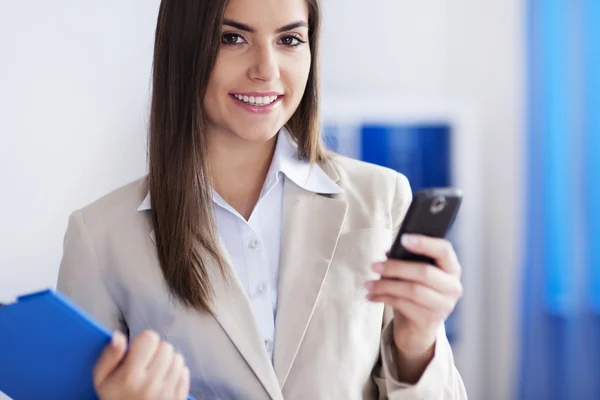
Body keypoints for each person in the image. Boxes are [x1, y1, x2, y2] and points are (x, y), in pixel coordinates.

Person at [57, 0, 467, 398]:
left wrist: (418, 345)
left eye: (289, 40)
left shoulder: (382, 198)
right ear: (184, 48)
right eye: (232, 38)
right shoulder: (100, 237)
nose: (266, 70)